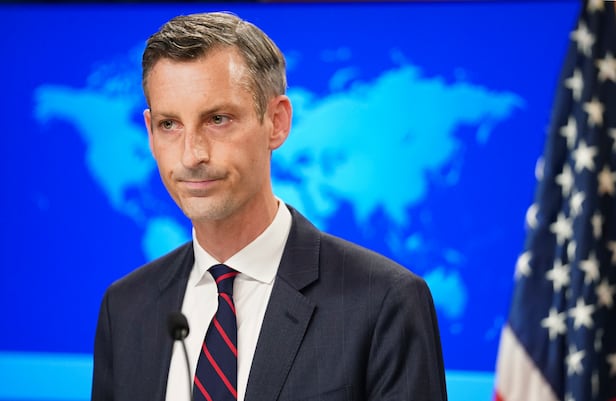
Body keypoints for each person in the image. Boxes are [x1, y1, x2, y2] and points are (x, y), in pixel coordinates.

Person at [91, 11, 447, 401]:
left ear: (276, 122)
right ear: (149, 131)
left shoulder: (385, 302)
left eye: (218, 119)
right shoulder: (124, 308)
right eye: (169, 125)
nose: (191, 155)